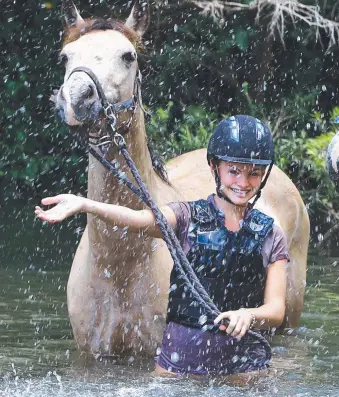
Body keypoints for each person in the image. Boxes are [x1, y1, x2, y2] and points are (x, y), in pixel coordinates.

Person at [35, 115, 289, 377]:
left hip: (243, 371)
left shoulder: (271, 234)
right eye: (233, 170)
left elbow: (276, 309)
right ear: (214, 168)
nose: (243, 182)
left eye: (254, 173)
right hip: (177, 369)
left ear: (264, 175)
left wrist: (248, 315)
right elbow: (139, 219)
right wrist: (86, 204)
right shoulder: (185, 217)